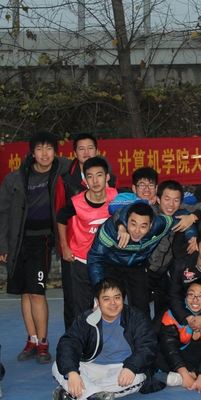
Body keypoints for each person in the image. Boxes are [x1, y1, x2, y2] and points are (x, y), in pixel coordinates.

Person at [0, 131, 72, 364]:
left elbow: (93, 165)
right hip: (18, 242)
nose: (44, 153)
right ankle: (32, 340)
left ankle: (43, 343)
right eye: (39, 149)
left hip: (43, 240)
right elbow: (0, 214)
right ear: (32, 152)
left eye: (49, 148)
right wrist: (1, 246)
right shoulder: (16, 179)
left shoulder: (64, 170)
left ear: (56, 151)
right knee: (25, 293)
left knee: (37, 292)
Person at [51, 278, 163, 400]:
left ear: (123, 298)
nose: (113, 303)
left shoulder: (136, 318)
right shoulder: (87, 319)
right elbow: (68, 344)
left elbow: (148, 346)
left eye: (117, 297)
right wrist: (73, 373)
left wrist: (131, 367)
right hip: (93, 367)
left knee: (139, 376)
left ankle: (77, 392)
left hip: (123, 369)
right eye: (106, 299)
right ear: (97, 301)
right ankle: (93, 395)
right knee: (59, 366)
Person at [53, 134, 117, 332]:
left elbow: (128, 212)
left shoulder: (115, 193)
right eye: (81, 148)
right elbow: (60, 216)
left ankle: (105, 341)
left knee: (107, 301)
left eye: (90, 148)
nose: (86, 152)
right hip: (78, 256)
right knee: (76, 305)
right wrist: (63, 246)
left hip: (105, 256)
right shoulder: (67, 183)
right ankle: (76, 341)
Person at [86, 202, 175, 318]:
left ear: (151, 225)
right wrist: (100, 292)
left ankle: (141, 330)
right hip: (111, 265)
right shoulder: (110, 230)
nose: (137, 231)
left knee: (142, 309)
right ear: (126, 221)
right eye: (133, 224)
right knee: (109, 305)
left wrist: (192, 220)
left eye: (143, 226)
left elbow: (180, 220)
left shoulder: (160, 225)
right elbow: (95, 258)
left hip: (137, 267)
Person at [158, 278, 201, 393]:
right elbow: (169, 346)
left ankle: (194, 376)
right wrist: (185, 374)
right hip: (182, 359)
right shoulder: (172, 314)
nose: (195, 300)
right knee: (156, 347)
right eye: (191, 295)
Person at [145, 180, 199, 319]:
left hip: (166, 273)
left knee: (163, 313)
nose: (171, 204)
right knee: (141, 311)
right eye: (167, 199)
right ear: (158, 199)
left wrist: (193, 220)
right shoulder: (149, 212)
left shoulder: (181, 212)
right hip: (144, 270)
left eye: (176, 200)